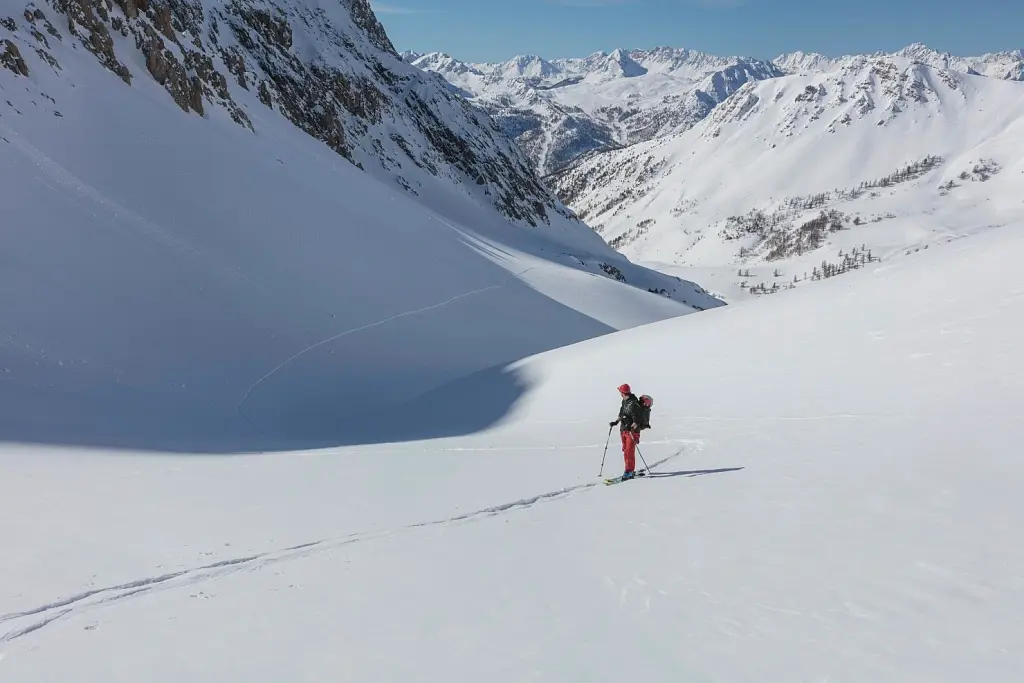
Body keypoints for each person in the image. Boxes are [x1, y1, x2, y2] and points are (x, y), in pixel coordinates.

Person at [609, 383, 643, 479]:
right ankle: (628, 469)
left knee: (629, 451)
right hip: (623, 430)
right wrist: (615, 422)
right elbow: (621, 414)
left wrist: (631, 427)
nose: (620, 393)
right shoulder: (624, 402)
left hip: (632, 432)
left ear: (623, 392)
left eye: (620, 391)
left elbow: (637, 420)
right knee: (625, 450)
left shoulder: (633, 404)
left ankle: (629, 471)